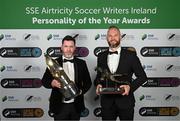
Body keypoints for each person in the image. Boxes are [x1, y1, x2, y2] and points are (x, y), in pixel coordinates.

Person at [94, 25, 147, 121]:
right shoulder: (101, 56)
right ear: (106, 38)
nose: (112, 38)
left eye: (115, 35)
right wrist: (98, 84)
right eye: (110, 36)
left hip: (126, 102)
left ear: (120, 37)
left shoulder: (131, 56)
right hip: (107, 103)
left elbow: (142, 77)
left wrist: (129, 87)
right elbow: (99, 77)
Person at [42, 35, 92, 121]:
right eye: (66, 46)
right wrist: (52, 83)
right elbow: (44, 81)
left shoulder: (81, 63)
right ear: (61, 47)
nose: (68, 49)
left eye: (71, 46)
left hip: (76, 105)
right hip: (59, 106)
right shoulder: (54, 63)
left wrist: (80, 92)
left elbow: (88, 82)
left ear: (74, 48)